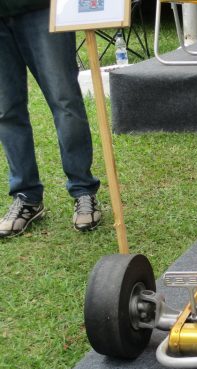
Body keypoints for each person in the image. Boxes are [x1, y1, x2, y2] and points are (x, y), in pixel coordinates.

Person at [0, 0, 102, 238]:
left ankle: (83, 190)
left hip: (44, 9)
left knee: (65, 102)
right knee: (6, 111)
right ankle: (26, 197)